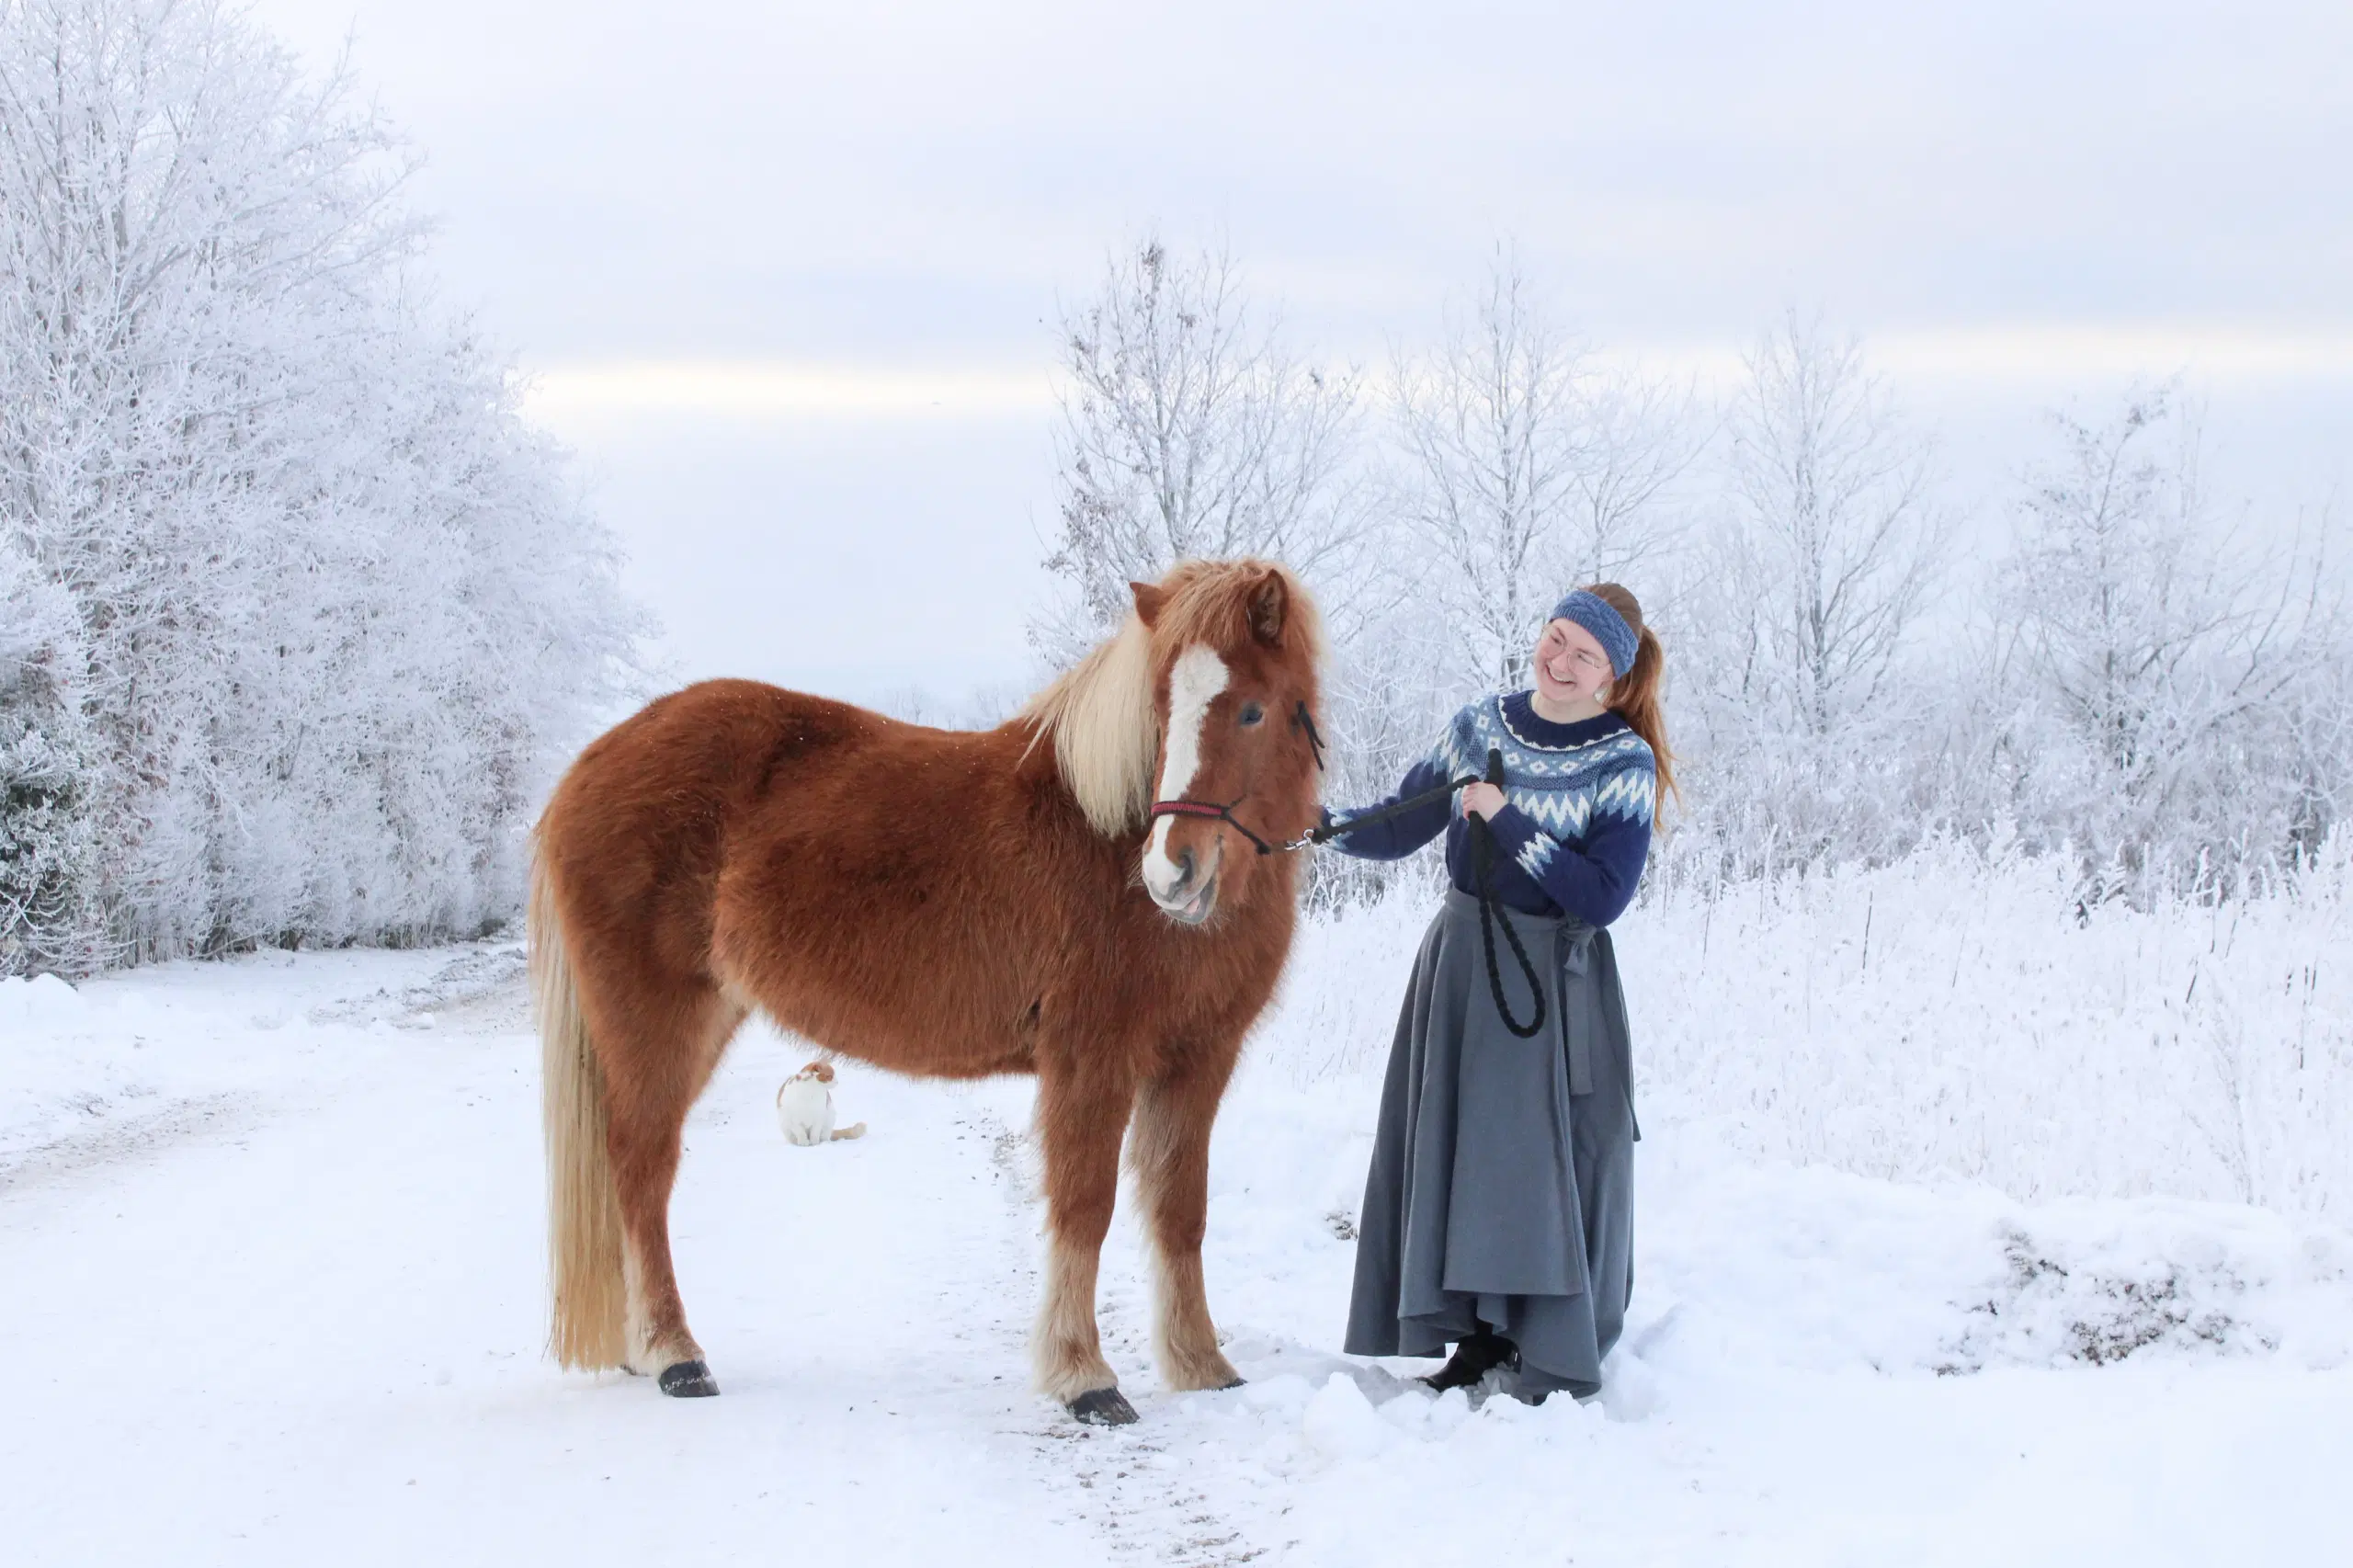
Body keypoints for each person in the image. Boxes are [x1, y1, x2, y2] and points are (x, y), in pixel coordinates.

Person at [1325, 584, 1671, 1403]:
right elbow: (1402, 821)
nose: (1560, 661)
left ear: (1611, 679)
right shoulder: (1481, 725)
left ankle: (1541, 1336)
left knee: (1539, 1159)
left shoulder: (1622, 761)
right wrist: (1318, 825)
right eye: (1555, 639)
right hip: (1461, 963)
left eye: (1584, 655)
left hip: (1553, 980)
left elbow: (1603, 894)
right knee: (1461, 1149)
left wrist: (1508, 821)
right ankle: (1476, 1337)